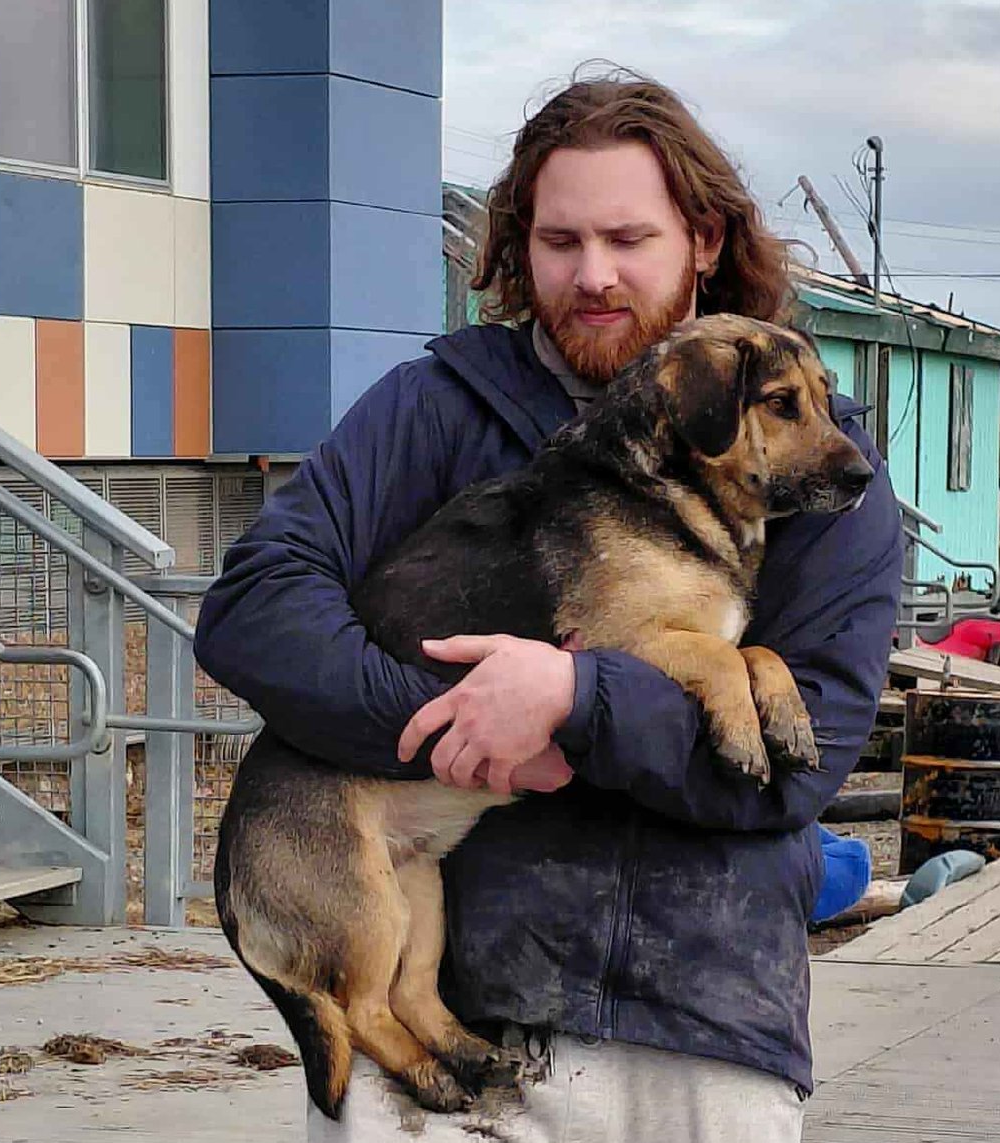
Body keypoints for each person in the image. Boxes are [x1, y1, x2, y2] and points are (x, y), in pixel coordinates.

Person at [195, 68, 903, 1143]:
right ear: (518, 246)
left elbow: (806, 753)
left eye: (628, 238)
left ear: (703, 240)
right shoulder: (431, 408)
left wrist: (575, 699)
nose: (592, 276)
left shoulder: (816, 458)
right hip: (445, 1016)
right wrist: (461, 722)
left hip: (699, 1030)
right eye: (559, 241)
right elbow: (252, 609)